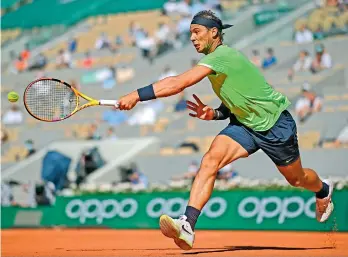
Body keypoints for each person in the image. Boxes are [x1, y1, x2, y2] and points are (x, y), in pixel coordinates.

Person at [117, 10, 334, 250]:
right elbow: (236, 100)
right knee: (210, 160)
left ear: (214, 33)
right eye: (190, 33)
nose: (192, 38)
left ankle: (323, 190)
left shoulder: (222, 56)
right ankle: (188, 225)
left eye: (197, 32)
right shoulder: (214, 61)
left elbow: (177, 83)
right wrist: (215, 114)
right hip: (244, 125)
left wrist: (135, 95)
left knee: (297, 179)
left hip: (274, 125)